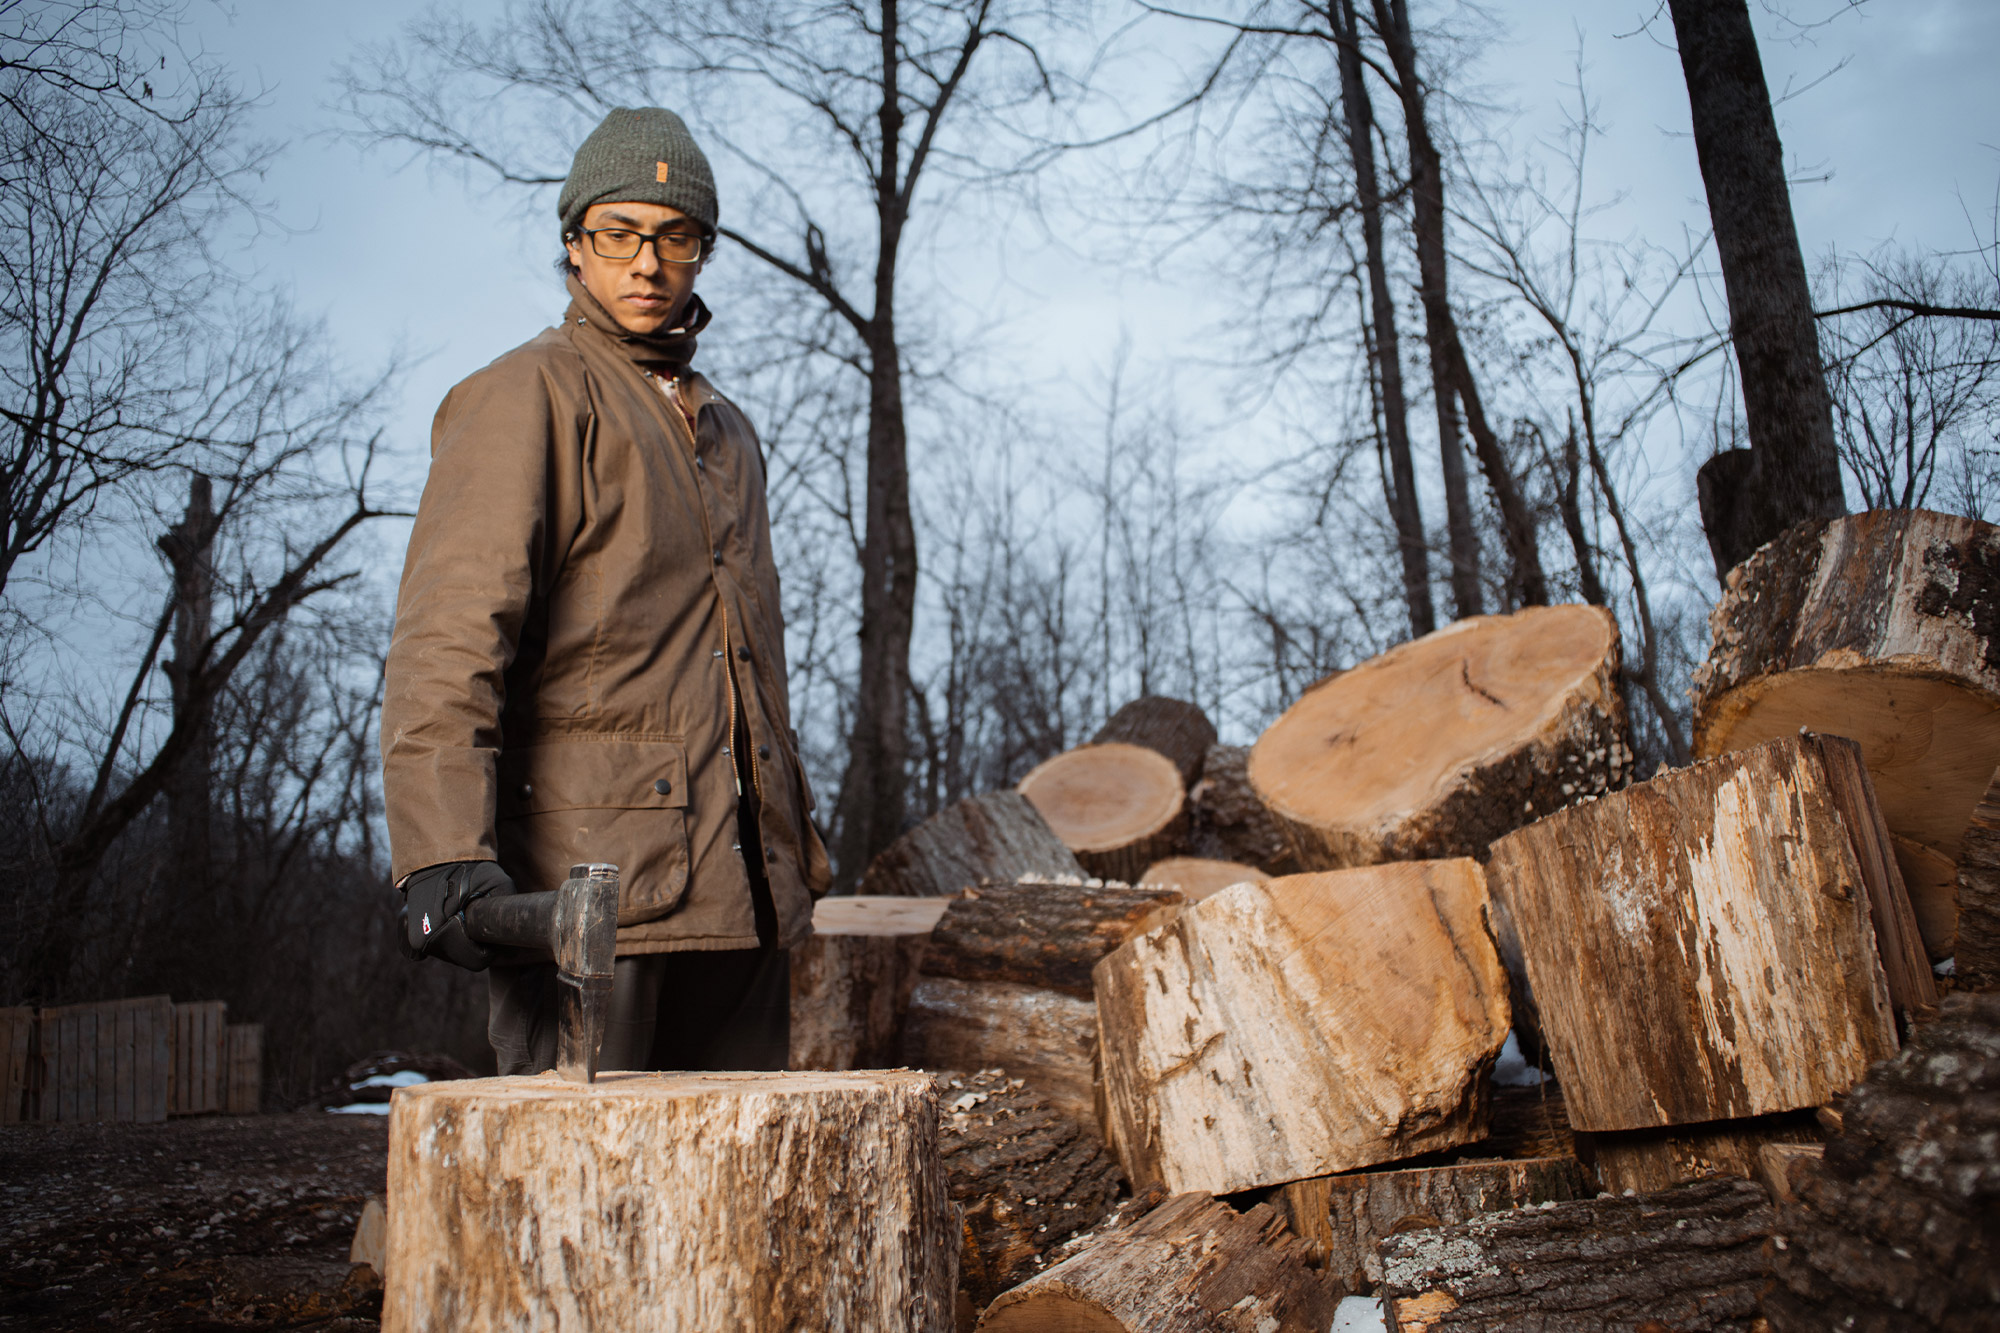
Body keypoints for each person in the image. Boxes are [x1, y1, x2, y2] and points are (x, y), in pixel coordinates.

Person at [379, 107, 830, 1075]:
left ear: (701, 252)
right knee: (582, 1195)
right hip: (594, 884)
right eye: (617, 234)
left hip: (743, 882)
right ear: (574, 248)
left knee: (742, 1188)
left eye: (674, 237)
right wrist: (440, 846)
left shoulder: (728, 428)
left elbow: (739, 659)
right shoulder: (524, 394)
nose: (646, 263)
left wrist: (790, 839)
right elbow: (449, 633)